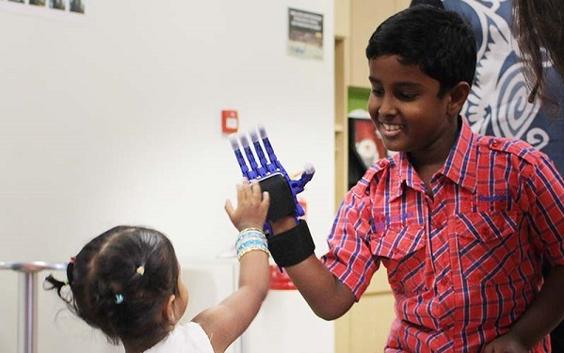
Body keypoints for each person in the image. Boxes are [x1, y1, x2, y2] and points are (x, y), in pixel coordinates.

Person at [265, 6, 564, 353]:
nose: (384, 108)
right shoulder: (371, 194)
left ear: (454, 97)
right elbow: (330, 300)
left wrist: (521, 337)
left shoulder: (520, 172)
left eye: (406, 94)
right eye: (378, 90)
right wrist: (284, 224)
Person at [45, 181, 270, 353]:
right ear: (169, 308)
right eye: (179, 279)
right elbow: (252, 289)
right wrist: (250, 227)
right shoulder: (192, 344)